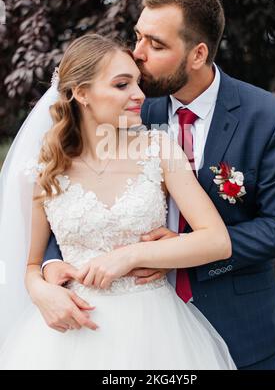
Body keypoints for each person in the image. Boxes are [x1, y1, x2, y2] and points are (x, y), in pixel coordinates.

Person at [43, 0, 275, 370]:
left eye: (156, 45)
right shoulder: (125, 105)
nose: (137, 54)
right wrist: (45, 270)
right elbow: (67, 192)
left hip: (236, 325)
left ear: (197, 54)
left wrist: (177, 252)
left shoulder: (269, 118)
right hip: (117, 331)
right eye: (137, 37)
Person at [0, 34, 236, 370]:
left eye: (138, 83)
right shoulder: (47, 168)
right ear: (81, 93)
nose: (139, 95)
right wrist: (40, 290)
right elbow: (30, 264)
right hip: (69, 338)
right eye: (122, 85)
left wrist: (130, 256)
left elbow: (217, 241)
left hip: (156, 333)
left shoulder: (160, 149)